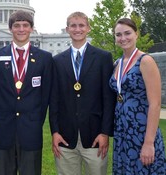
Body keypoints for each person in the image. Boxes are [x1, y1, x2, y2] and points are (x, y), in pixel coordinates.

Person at [0, 10, 53, 175]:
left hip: (31, 130)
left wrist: (36, 118)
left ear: (31, 28)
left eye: (25, 25)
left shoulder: (45, 58)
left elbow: (45, 95)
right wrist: (2, 113)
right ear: (10, 29)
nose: (21, 29)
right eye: (17, 25)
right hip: (3, 129)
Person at [49, 11, 116, 175]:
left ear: (88, 28)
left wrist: (105, 132)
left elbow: (108, 99)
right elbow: (54, 98)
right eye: (73, 25)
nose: (77, 29)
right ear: (67, 29)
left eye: (81, 25)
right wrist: (55, 132)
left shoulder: (103, 58)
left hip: (95, 136)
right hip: (65, 136)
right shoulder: (57, 61)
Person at [109, 17, 166, 174]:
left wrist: (149, 142)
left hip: (141, 130)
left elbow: (155, 104)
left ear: (136, 34)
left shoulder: (145, 61)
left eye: (127, 33)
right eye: (118, 35)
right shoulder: (117, 63)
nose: (123, 38)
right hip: (122, 130)